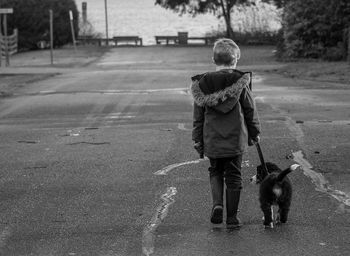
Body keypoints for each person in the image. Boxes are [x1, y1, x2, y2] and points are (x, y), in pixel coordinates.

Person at [190, 38, 261, 228]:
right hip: (235, 140)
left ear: (214, 60)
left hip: (212, 140)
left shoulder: (202, 85)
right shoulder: (241, 83)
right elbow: (250, 110)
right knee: (234, 175)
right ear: (235, 59)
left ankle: (217, 204)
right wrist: (255, 132)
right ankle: (232, 218)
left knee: (215, 171)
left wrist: (197, 139)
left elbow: (198, 117)